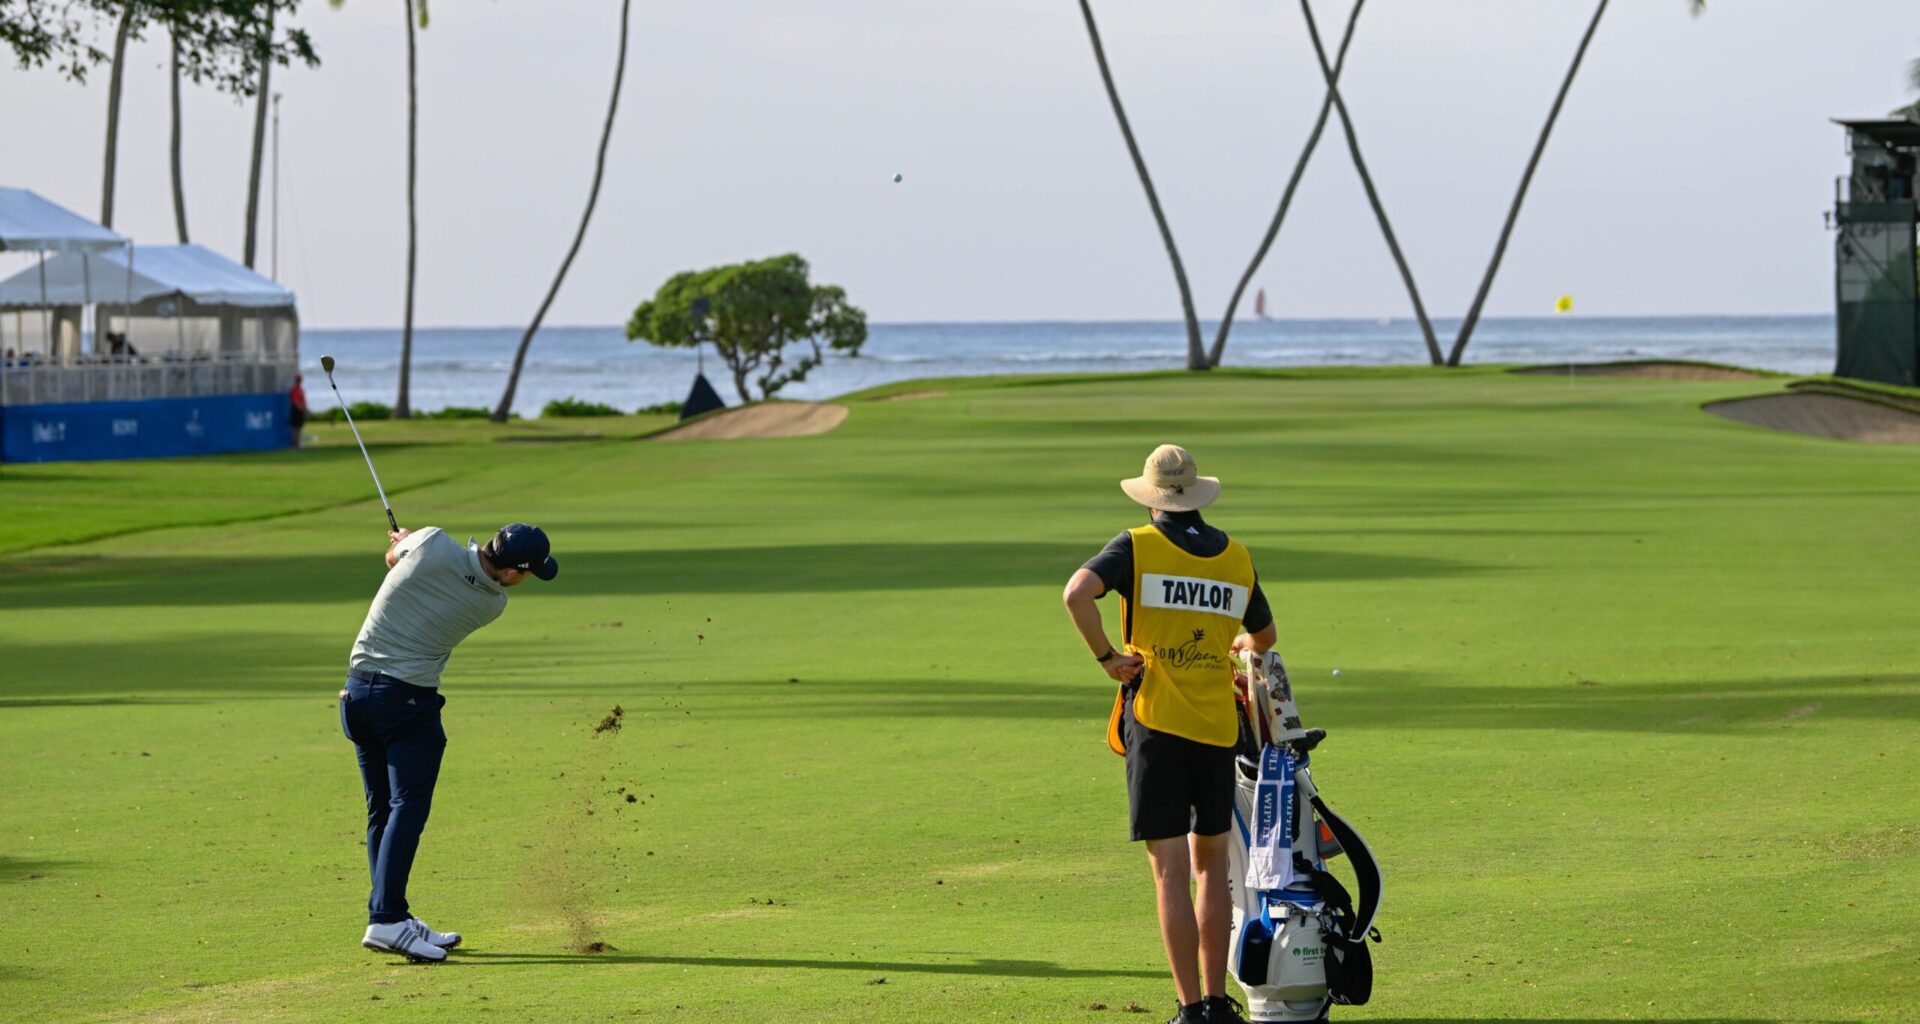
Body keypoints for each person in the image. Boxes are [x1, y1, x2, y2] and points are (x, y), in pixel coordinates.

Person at [1061, 445, 1277, 1024]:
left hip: (1156, 724)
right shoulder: (1236, 556)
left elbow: (1076, 594)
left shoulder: (1136, 546)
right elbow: (1264, 636)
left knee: (1169, 874)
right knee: (1212, 871)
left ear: (1151, 499)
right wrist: (1237, 643)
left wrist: (1107, 658)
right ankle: (1218, 1003)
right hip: (1217, 726)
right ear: (1198, 495)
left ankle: (1189, 1009)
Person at [340, 522, 559, 962]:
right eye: (530, 572)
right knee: (407, 807)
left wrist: (405, 542)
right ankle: (386, 919)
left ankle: (392, 913)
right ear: (513, 572)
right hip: (405, 702)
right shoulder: (491, 603)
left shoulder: (431, 541)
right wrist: (407, 548)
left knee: (382, 809)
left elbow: (392, 560)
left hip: (356, 695)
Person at [289, 374, 309, 448]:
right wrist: (301, 408)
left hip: (300, 411)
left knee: (299, 427)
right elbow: (295, 401)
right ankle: (295, 443)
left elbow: (303, 400)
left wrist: (304, 409)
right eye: (298, 380)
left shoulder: (300, 389)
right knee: (295, 428)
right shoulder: (294, 389)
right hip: (296, 410)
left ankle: (298, 442)